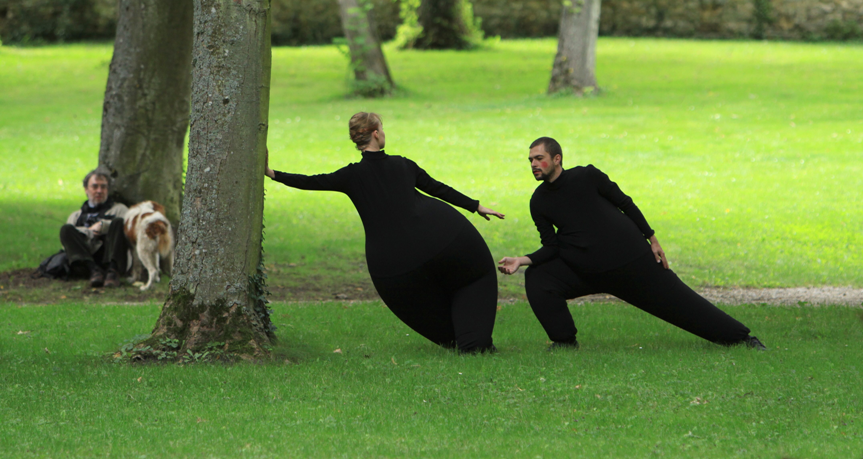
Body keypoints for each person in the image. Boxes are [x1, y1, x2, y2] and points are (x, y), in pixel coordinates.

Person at [266, 112, 504, 353]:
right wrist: (475, 206)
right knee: (469, 316)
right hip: (443, 239)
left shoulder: (351, 176)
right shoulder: (403, 164)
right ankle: (473, 341)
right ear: (377, 134)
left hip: (393, 264)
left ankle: (470, 341)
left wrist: (272, 173)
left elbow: (311, 181)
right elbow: (438, 189)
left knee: (454, 326)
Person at [498, 137, 766, 350]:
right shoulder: (539, 201)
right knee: (538, 278)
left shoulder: (587, 176)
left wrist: (652, 238)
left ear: (557, 159)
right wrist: (522, 261)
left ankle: (742, 339)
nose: (534, 164)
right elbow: (551, 247)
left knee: (683, 304)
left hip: (630, 262)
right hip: (584, 270)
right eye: (531, 160)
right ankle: (564, 342)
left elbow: (625, 203)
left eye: (539, 158)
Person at [60, 169, 129, 288]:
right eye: (95, 186)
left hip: (111, 258)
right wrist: (89, 232)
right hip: (86, 263)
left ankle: (112, 273)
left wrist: (104, 226)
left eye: (103, 187)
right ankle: (94, 271)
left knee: (119, 222)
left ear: (108, 190)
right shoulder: (75, 216)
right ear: (86, 190)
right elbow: (66, 246)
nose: (99, 191)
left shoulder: (120, 209)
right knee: (66, 230)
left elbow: (129, 231)